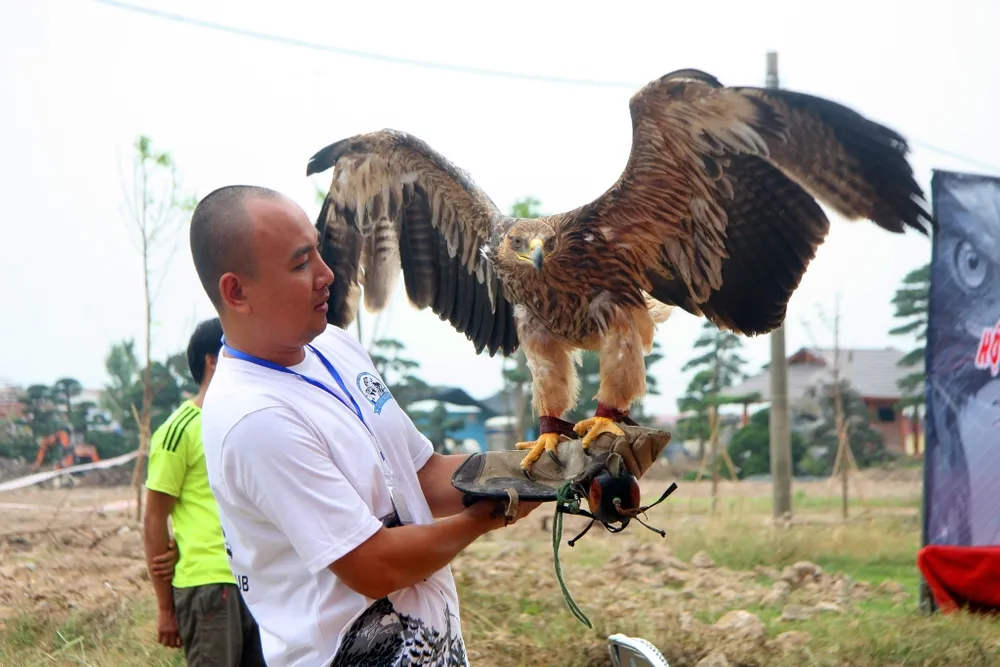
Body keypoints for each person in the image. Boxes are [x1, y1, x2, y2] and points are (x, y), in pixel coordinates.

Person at [187, 184, 543, 667]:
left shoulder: (333, 346)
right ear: (236, 291)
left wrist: (538, 468)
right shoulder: (255, 418)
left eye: (318, 251)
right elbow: (374, 565)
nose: (326, 274)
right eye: (300, 264)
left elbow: (423, 475)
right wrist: (482, 518)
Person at [143, 316, 267, 666]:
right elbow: (154, 517)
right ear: (212, 360)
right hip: (211, 585)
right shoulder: (178, 431)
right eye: (238, 350)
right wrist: (165, 607)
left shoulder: (251, 421)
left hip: (262, 582)